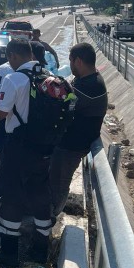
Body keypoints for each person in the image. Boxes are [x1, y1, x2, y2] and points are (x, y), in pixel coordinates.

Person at [0, 38, 53, 267]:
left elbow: (2, 114)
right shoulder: (48, 76)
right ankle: (41, 249)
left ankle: (9, 253)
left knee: (10, 196)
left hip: (19, 147)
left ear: (12, 56)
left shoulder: (14, 79)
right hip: (44, 148)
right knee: (40, 195)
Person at [49, 42, 108, 216]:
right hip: (70, 142)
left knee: (58, 184)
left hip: (72, 146)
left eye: (71, 61)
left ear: (78, 61)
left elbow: (62, 104)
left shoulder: (90, 86)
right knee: (54, 180)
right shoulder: (87, 80)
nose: (71, 65)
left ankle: (49, 219)